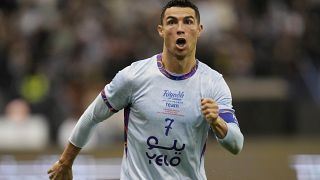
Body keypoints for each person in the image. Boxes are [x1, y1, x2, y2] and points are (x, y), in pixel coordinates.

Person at [47, 0, 244, 179]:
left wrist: (217, 122)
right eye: (172, 22)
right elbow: (93, 116)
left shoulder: (213, 83)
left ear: (199, 29)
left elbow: (236, 145)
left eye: (188, 22)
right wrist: (66, 161)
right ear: (161, 30)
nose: (180, 29)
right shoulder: (134, 77)